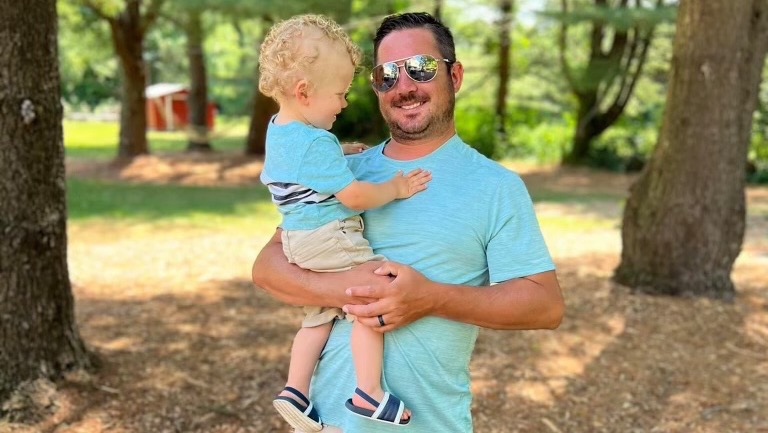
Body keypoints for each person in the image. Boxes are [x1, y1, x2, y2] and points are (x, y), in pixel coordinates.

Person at [252, 12, 565, 433]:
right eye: (386, 75)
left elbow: (545, 305)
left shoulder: (495, 186)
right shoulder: (344, 171)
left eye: (420, 67)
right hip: (325, 425)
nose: (403, 86)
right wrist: (358, 291)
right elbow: (268, 268)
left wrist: (430, 298)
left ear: (455, 76)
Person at [257, 14, 430, 432]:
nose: (344, 103)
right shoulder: (316, 142)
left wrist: (339, 152)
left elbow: (305, 165)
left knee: (317, 317)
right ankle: (368, 392)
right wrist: (395, 188)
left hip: (298, 240)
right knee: (372, 298)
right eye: (339, 93)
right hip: (329, 235)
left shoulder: (280, 129)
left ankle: (296, 391)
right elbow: (353, 197)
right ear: (304, 91)